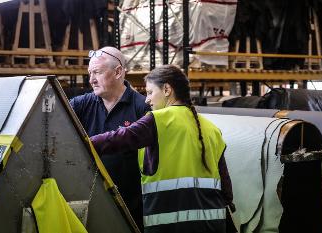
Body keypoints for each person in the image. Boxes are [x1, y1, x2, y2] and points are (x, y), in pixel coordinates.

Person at [90, 64, 235, 233]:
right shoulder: (211, 129)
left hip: (171, 225)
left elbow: (118, 138)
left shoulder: (158, 120)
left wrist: (82, 141)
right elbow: (226, 190)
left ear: (167, 89)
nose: (146, 99)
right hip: (213, 223)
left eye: (150, 92)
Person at [70, 46, 150, 231]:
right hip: (91, 201)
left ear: (118, 72)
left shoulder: (141, 108)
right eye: (90, 73)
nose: (91, 80)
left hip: (131, 207)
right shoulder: (81, 105)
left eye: (97, 72)